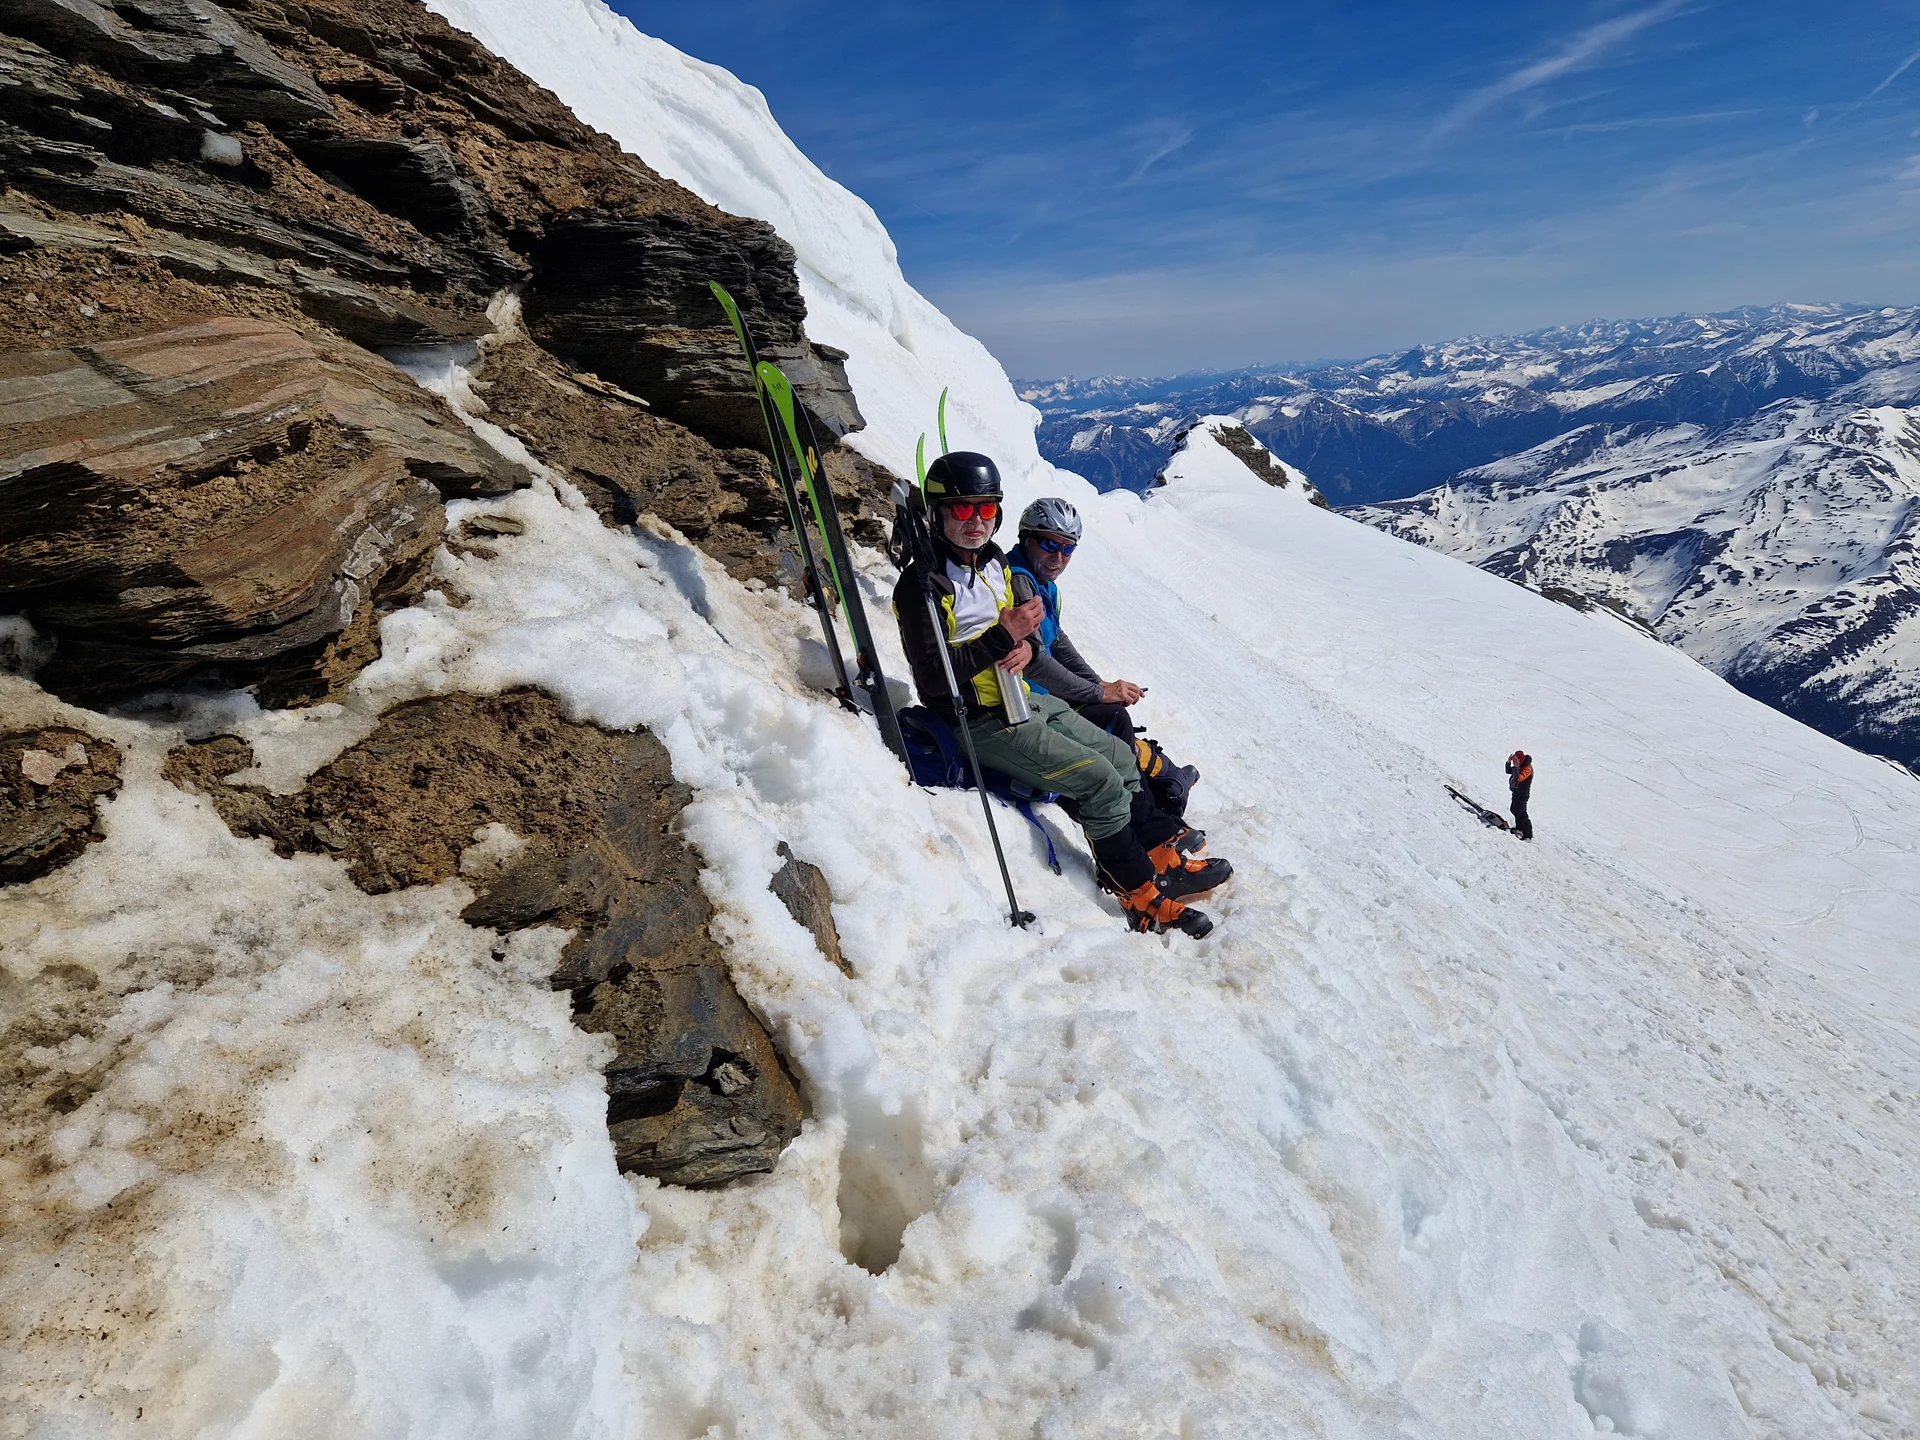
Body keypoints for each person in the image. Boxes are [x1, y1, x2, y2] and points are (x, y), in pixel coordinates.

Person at [892, 452, 1230, 936]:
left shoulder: (992, 564)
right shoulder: (922, 585)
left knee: (1119, 755)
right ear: (938, 512)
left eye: (986, 509)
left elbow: (1030, 640)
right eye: (963, 509)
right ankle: (1138, 894)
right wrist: (1003, 638)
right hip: (977, 717)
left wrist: (1026, 647)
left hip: (1020, 698)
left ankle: (1155, 857)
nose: (976, 521)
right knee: (1099, 781)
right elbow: (934, 681)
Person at [1005, 498, 1201, 818]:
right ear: (1026, 538)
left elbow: (1058, 641)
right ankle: (1150, 813)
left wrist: (1099, 685)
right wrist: (1099, 692)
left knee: (1111, 714)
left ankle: (1160, 792)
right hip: (1032, 701)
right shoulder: (1020, 582)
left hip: (1046, 696)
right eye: (1050, 544)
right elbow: (1037, 662)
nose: (1058, 558)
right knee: (1113, 718)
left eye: (1068, 549)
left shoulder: (1041, 583)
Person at [1506, 750, 1534, 840]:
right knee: (1514, 809)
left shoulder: (1527, 769)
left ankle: (1528, 834)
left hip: (1522, 795)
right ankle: (1519, 828)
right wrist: (1508, 762)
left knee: (1522, 814)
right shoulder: (1520, 765)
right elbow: (1508, 771)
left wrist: (1516, 766)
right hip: (1516, 792)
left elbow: (1518, 778)